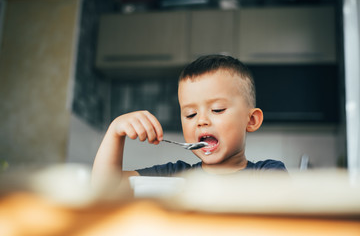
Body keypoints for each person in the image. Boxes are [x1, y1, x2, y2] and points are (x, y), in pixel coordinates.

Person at [92, 55, 286, 185]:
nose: (201, 121)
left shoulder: (268, 173)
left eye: (217, 109)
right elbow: (106, 188)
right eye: (190, 114)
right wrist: (115, 132)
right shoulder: (175, 176)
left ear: (251, 120)